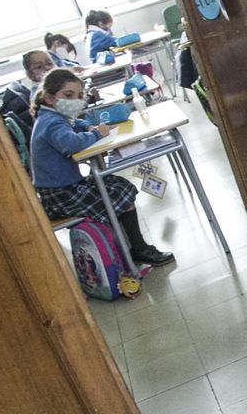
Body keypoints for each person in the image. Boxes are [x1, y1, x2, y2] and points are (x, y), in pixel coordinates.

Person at [29, 68, 174, 266]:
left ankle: (131, 246)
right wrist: (98, 134)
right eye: (68, 95)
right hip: (61, 196)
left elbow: (74, 124)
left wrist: (88, 127)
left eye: (79, 96)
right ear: (49, 98)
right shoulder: (51, 122)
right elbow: (70, 143)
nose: (75, 100)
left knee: (117, 185)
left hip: (61, 190)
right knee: (119, 192)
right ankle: (137, 248)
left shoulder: (51, 117)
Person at [0, 49, 56, 141]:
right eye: (39, 67)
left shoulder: (56, 85)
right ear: (30, 75)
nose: (47, 68)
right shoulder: (40, 95)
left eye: (49, 63)